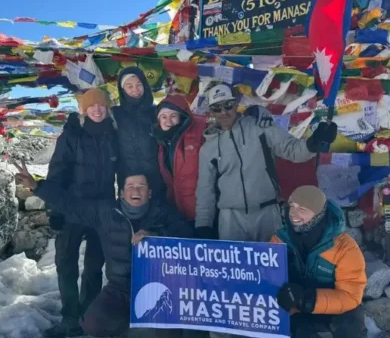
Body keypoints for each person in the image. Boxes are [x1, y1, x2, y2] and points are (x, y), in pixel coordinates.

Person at [15, 162, 194, 338]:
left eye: (141, 186)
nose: (136, 191)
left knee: (171, 333)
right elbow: (70, 205)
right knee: (92, 325)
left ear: (150, 192)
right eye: (131, 186)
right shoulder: (106, 212)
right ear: (122, 193)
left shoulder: (164, 213)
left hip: (159, 288)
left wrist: (157, 235)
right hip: (119, 288)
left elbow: (187, 237)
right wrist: (37, 186)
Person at [195, 84, 338, 243]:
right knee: (237, 267)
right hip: (231, 218)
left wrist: (315, 142)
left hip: (267, 213)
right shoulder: (208, 149)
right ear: (211, 110)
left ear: (236, 104)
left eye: (228, 105)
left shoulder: (259, 127)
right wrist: (203, 224)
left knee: (274, 265)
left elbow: (292, 150)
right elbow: (205, 190)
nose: (223, 112)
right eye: (216, 108)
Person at [43, 88, 118, 338]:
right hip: (72, 208)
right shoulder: (72, 135)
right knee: (66, 264)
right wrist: (54, 209)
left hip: (101, 211)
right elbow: (57, 172)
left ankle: (89, 314)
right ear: (83, 110)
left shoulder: (113, 134)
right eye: (91, 106)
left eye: (101, 105)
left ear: (107, 108)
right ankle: (70, 317)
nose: (97, 110)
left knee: (94, 266)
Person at [272, 186, 367, 338]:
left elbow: (350, 296)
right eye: (292, 207)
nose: (293, 214)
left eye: (302, 209)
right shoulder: (280, 240)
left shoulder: (345, 247)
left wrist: (306, 299)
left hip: (334, 310)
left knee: (351, 323)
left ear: (318, 214)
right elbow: (268, 279)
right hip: (298, 309)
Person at [152, 95, 207, 225]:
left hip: (202, 212)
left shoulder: (198, 133)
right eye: (164, 117)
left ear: (181, 117)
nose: (168, 121)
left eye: (173, 116)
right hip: (177, 213)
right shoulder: (162, 143)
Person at [113, 66, 163, 195]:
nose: (135, 90)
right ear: (122, 89)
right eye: (129, 86)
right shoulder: (116, 114)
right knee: (132, 210)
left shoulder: (156, 112)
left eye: (138, 84)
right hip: (128, 177)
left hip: (157, 176)